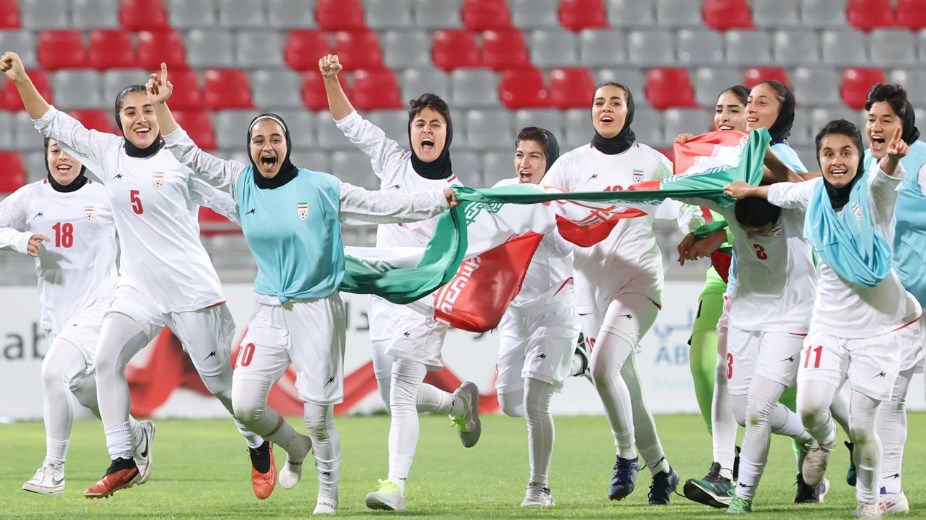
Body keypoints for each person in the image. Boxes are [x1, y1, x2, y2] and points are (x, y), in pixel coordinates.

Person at [147, 63, 457, 514]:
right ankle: (294, 447)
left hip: (317, 312)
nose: (267, 146)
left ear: (287, 145)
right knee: (246, 406)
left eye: (275, 138)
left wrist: (435, 199)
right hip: (268, 311)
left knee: (318, 416)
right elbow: (190, 155)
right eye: (259, 140)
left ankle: (327, 495)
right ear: (250, 148)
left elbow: (382, 205)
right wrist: (161, 107)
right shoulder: (241, 182)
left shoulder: (319, 187)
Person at [0, 51, 269, 499]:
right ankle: (123, 457)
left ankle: (256, 441)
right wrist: (22, 79)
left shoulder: (182, 158)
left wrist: (278, 227)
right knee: (105, 361)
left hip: (187, 289)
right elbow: (50, 120)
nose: (141, 118)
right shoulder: (106, 155)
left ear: (160, 113)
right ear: (119, 121)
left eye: (148, 109)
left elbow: (234, 207)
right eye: (130, 111)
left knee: (220, 383)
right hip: (139, 288)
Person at [725, 120, 921, 519]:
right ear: (819, 158)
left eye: (846, 152)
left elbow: (886, 181)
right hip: (827, 326)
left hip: (875, 331)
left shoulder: (872, 192)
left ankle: (867, 501)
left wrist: (891, 161)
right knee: (812, 409)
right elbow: (782, 191)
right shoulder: (814, 193)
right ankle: (825, 440)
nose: (837, 161)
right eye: (828, 154)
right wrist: (750, 191)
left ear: (859, 157)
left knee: (863, 427)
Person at [318, 54, 480, 512]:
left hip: (425, 299)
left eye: (435, 124)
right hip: (384, 294)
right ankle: (456, 405)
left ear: (447, 133)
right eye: (420, 124)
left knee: (403, 391)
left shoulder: (458, 193)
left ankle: (395, 487)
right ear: (410, 132)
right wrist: (331, 78)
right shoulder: (392, 161)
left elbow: (465, 254)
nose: (427, 130)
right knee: (394, 395)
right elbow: (348, 121)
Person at [541, 81, 679, 505]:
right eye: (599, 102)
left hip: (638, 281)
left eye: (615, 102)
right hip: (589, 290)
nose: (606, 108)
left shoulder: (654, 163)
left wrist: (702, 235)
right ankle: (663, 472)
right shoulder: (569, 165)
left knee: (602, 369)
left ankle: (625, 457)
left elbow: (687, 208)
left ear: (628, 110)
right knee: (625, 386)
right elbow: (538, 212)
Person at [0, 138, 152, 495]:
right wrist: (19, 240)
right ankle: (135, 434)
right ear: (46, 156)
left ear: (83, 157)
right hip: (57, 314)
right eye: (55, 150)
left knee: (53, 372)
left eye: (69, 150)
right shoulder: (30, 197)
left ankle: (53, 468)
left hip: (100, 305)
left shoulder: (106, 195)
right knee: (82, 387)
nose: (62, 157)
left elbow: (145, 229)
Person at [490, 126, 581, 507]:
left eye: (534, 156)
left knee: (534, 403)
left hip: (554, 310)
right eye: (519, 154)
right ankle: (578, 361)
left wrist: (544, 208)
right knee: (508, 403)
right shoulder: (502, 191)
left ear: (550, 163)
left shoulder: (561, 199)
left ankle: (539, 487)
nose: (524, 163)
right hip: (516, 314)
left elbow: (565, 247)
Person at [674, 86, 746, 508]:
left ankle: (810, 451)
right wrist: (688, 166)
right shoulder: (704, 162)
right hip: (724, 277)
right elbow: (687, 210)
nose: (723, 117)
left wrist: (716, 235)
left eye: (733, 109)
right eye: (718, 110)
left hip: (773, 279)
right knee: (706, 367)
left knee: (788, 390)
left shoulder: (764, 159)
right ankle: (726, 462)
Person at [862, 83, 926, 515]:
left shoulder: (921, 162)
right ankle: (889, 490)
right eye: (871, 119)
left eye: (887, 119)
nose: (877, 127)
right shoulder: (865, 164)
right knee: (891, 395)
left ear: (905, 124)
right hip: (898, 303)